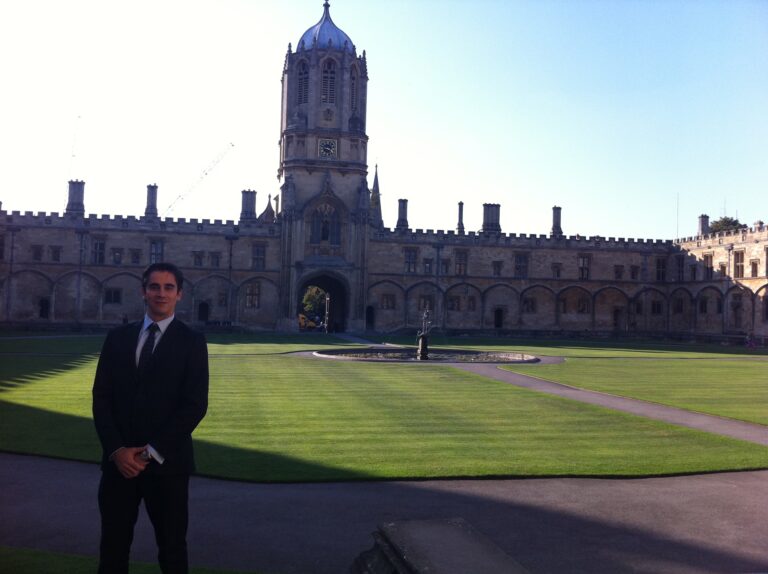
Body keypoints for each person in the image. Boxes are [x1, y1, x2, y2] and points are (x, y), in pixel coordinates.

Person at [92, 262, 209, 573]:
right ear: (144, 291)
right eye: (154, 287)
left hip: (166, 466)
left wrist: (148, 453)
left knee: (172, 550)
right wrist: (117, 451)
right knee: (113, 549)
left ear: (180, 294)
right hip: (119, 466)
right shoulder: (117, 338)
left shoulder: (192, 342)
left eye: (168, 287)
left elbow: (194, 406)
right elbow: (101, 399)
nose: (161, 293)